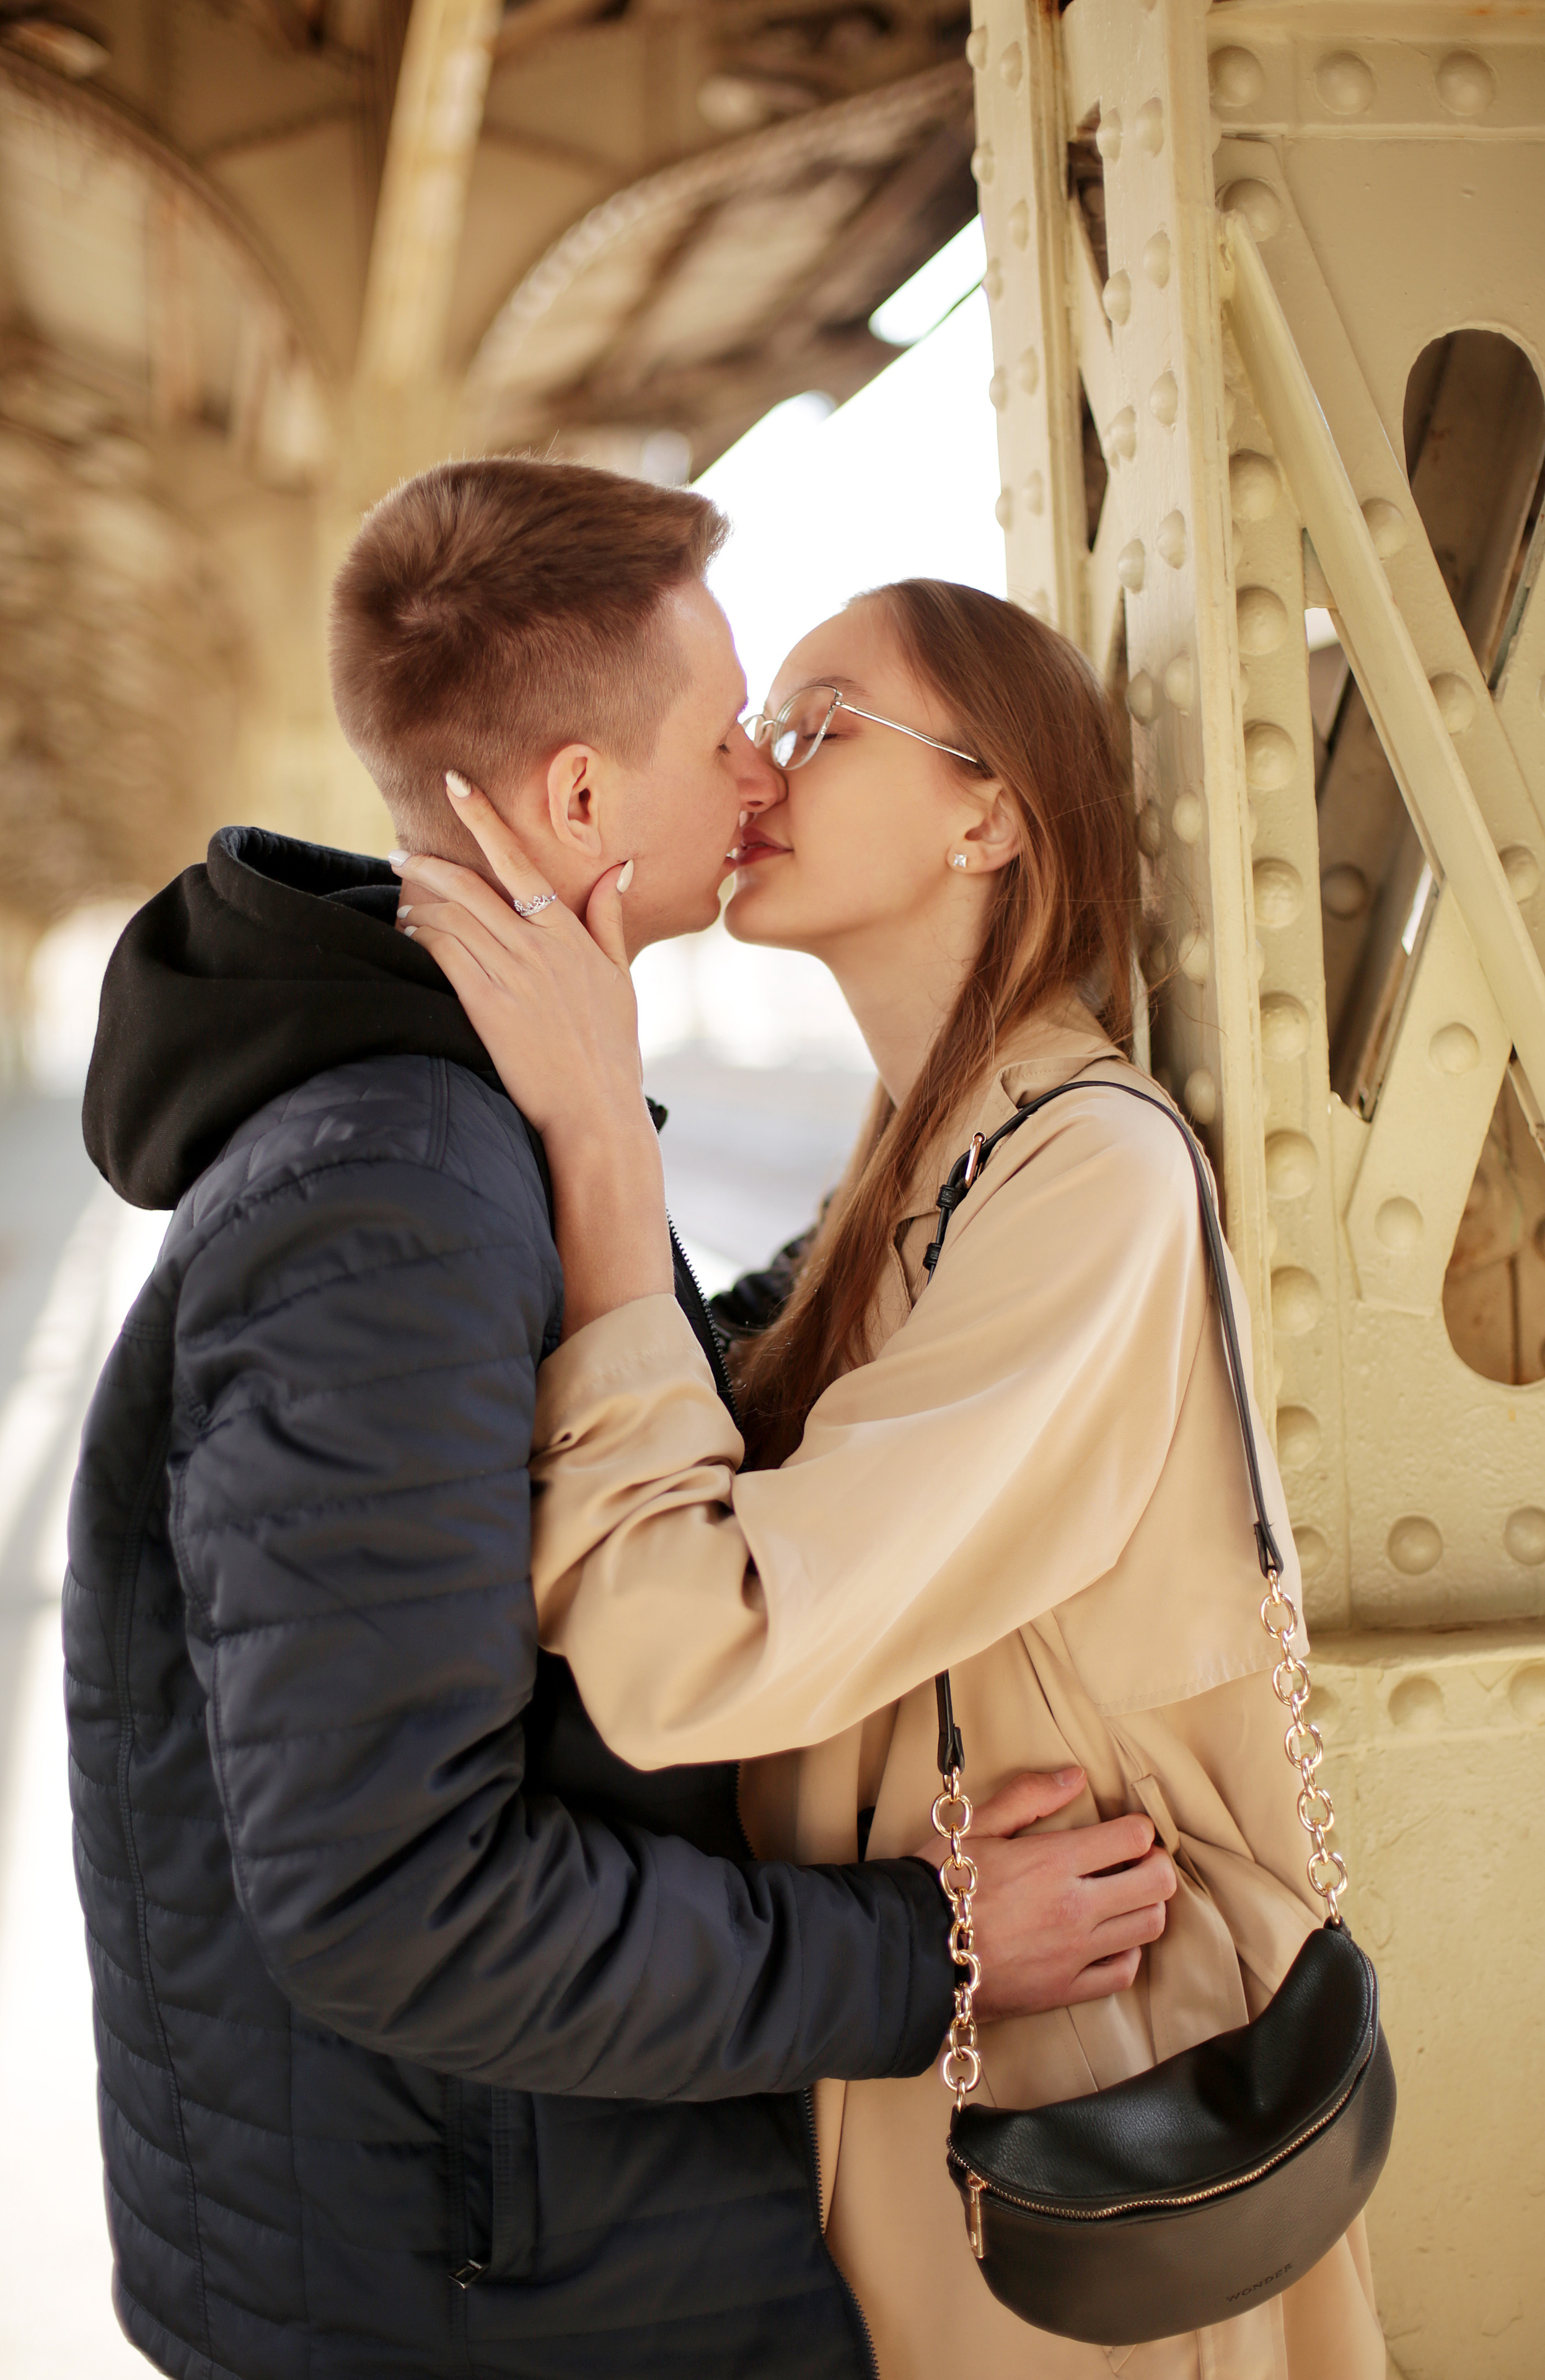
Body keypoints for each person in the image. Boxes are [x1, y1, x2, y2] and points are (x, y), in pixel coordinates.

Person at [68, 464, 1175, 2380]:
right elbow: (396, 1900)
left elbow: (678, 1394)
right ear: (584, 802)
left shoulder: (456, 1139)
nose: (760, 774)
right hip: (478, 2286)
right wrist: (928, 1955)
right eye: (738, 724)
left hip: (520, 2233)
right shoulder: (394, 1190)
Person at [395, 576, 1389, 2380]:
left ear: (988, 811)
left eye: (823, 718)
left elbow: (692, 1642)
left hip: (1091, 2072)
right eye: (756, 723)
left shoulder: (1085, 1177)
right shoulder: (922, 1163)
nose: (758, 764)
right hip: (964, 2042)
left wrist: (602, 1137)